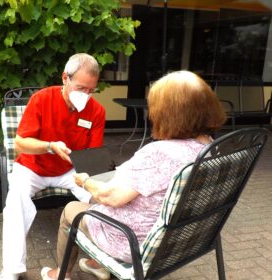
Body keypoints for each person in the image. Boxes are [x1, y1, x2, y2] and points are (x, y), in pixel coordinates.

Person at [41, 70, 226, 280]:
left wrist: (85, 181)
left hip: (132, 241)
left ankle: (60, 274)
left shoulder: (160, 153)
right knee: (95, 200)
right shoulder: (210, 147)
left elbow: (111, 197)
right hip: (188, 239)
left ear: (168, 112)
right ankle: (97, 264)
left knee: (71, 210)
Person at [0, 53, 106, 280]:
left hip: (70, 170)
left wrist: (96, 180)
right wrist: (49, 146)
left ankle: (99, 260)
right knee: (15, 201)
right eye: (80, 87)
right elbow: (20, 143)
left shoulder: (96, 111)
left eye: (91, 90)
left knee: (104, 197)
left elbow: (93, 156)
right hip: (32, 167)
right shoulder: (41, 99)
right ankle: (12, 268)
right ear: (65, 78)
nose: (85, 95)